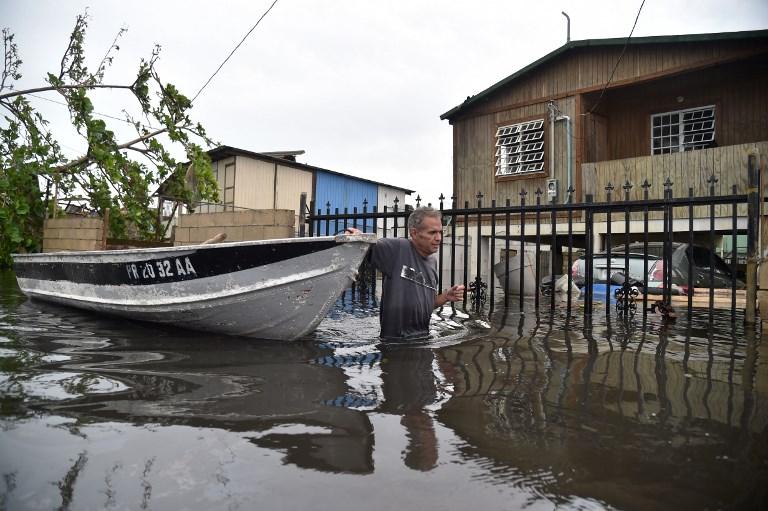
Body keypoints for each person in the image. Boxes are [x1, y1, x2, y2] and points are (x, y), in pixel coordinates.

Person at [346, 207, 465, 340]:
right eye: (432, 233)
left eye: (440, 232)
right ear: (414, 233)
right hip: (395, 343)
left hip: (422, 339)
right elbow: (368, 245)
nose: (438, 238)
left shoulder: (432, 262)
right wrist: (358, 236)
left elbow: (427, 304)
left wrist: (446, 296)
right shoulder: (397, 249)